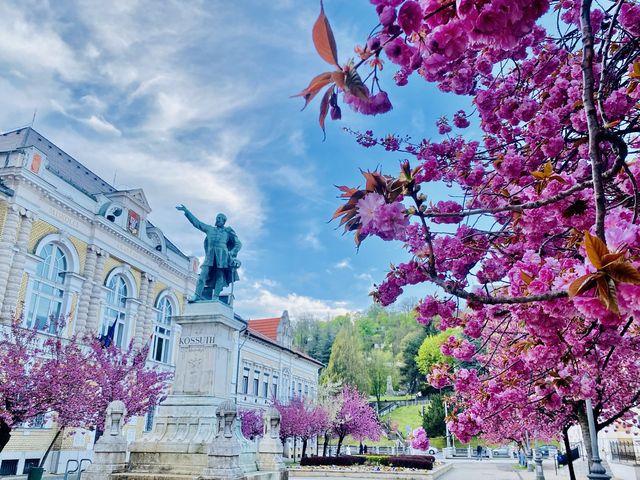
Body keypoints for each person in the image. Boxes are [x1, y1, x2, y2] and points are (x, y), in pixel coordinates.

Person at [176, 206, 241, 300]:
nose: (217, 220)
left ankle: (216, 296)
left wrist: (232, 253)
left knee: (220, 275)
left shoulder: (228, 232)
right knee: (202, 275)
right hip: (210, 256)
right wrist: (186, 212)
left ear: (224, 221)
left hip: (222, 256)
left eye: (220, 218)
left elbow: (238, 244)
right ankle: (197, 296)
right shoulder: (210, 229)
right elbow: (197, 223)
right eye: (217, 218)